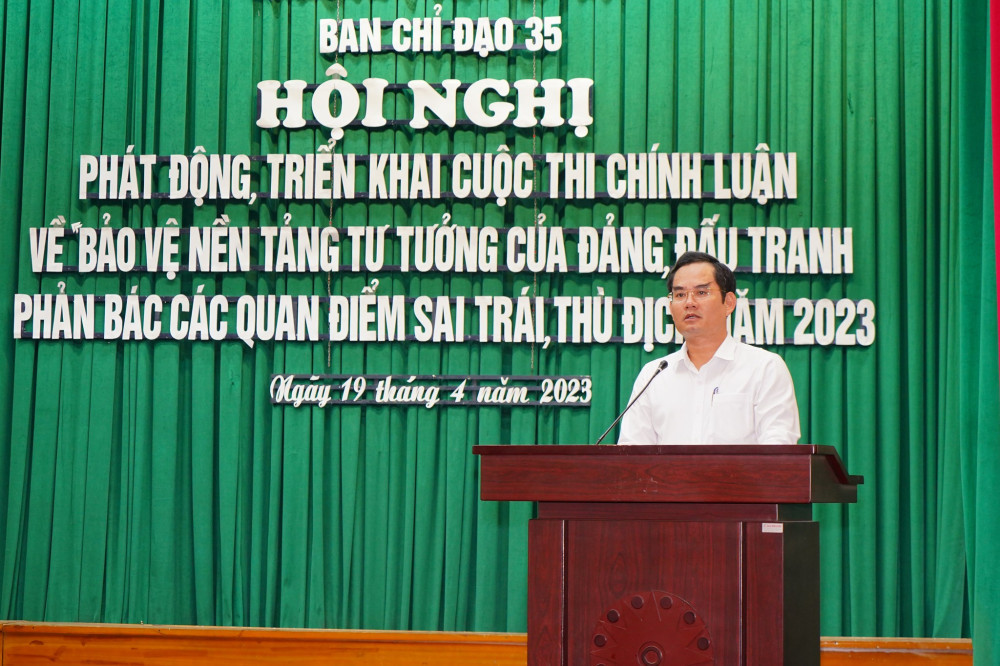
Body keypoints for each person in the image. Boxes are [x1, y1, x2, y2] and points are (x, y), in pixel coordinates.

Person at [617, 251, 801, 445]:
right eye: (680, 295)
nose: (689, 303)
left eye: (701, 292)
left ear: (728, 303)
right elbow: (631, 452)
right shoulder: (654, 375)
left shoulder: (764, 368)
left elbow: (779, 448)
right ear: (670, 307)